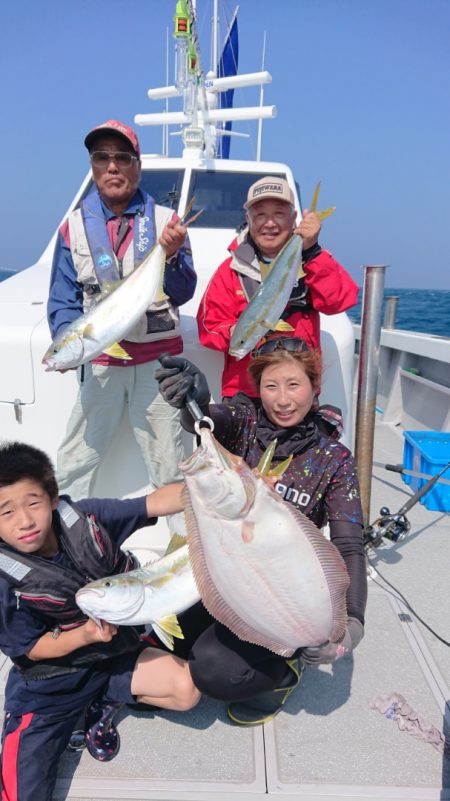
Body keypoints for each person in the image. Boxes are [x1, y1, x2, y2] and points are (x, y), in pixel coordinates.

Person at [155, 339, 368, 726]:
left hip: (279, 586)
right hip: (229, 565)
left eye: (294, 385)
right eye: (271, 386)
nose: (283, 400)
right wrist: (194, 401)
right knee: (167, 636)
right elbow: (209, 422)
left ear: (314, 386)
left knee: (215, 671)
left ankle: (285, 672)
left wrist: (352, 624)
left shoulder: (333, 459)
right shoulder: (246, 420)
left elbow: (349, 545)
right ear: (258, 390)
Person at [0, 441, 200, 801]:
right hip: (51, 689)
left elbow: (156, 502)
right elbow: (31, 649)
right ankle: (70, 714)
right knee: (19, 796)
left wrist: (219, 492)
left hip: (111, 660)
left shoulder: (86, 517)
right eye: (6, 512)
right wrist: (85, 636)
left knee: (186, 690)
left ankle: (102, 702)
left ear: (51, 496)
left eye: (33, 503)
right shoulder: (4, 581)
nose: (25, 521)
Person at [47, 119, 197, 499]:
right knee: (75, 462)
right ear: (93, 167)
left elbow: (183, 292)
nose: (112, 166)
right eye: (102, 157)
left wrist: (173, 254)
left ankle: (181, 547)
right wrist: (68, 348)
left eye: (122, 157)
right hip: (101, 364)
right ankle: (66, 543)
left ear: (137, 166)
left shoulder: (168, 224)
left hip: (158, 366)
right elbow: (62, 302)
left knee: (169, 465)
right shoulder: (73, 228)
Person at [196, 175, 359, 400]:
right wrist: (235, 334)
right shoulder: (230, 269)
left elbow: (340, 300)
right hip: (245, 392)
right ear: (249, 219)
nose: (269, 223)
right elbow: (208, 327)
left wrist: (311, 252)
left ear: (294, 219)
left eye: (279, 214)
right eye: (260, 214)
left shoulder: (312, 259)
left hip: (297, 394)